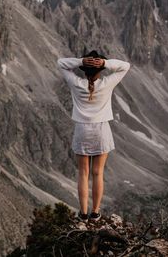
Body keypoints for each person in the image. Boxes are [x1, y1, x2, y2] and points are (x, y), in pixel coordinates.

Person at [57, 50, 130, 223]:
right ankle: (95, 213)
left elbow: (61, 63)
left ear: (84, 70)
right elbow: (125, 67)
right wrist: (104, 63)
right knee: (98, 173)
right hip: (101, 130)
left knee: (83, 173)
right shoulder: (106, 83)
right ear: (99, 71)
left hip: (82, 130)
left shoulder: (76, 83)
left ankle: (82, 214)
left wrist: (82, 60)